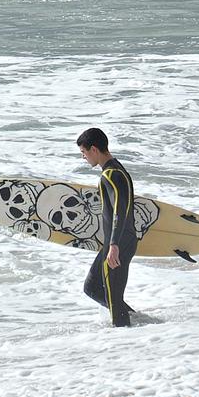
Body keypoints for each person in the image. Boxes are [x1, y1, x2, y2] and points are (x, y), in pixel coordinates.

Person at [76, 127, 137, 327]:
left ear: (94, 149)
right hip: (116, 242)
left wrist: (114, 244)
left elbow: (121, 209)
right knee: (93, 287)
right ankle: (139, 323)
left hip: (119, 243)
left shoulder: (112, 174)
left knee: (113, 297)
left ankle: (125, 336)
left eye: (84, 152)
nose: (83, 157)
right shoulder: (115, 170)